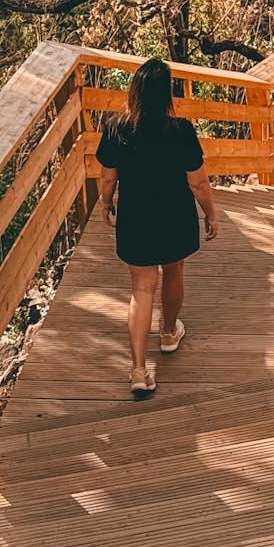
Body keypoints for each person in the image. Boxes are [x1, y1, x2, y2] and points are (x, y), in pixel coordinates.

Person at [96, 57, 219, 397]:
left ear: (135, 92)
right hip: (174, 214)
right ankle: (167, 332)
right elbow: (199, 183)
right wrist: (211, 214)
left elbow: (108, 176)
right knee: (174, 270)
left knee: (142, 287)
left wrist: (107, 204)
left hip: (136, 216)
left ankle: (138, 370)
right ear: (167, 95)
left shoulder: (116, 128)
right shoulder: (180, 130)